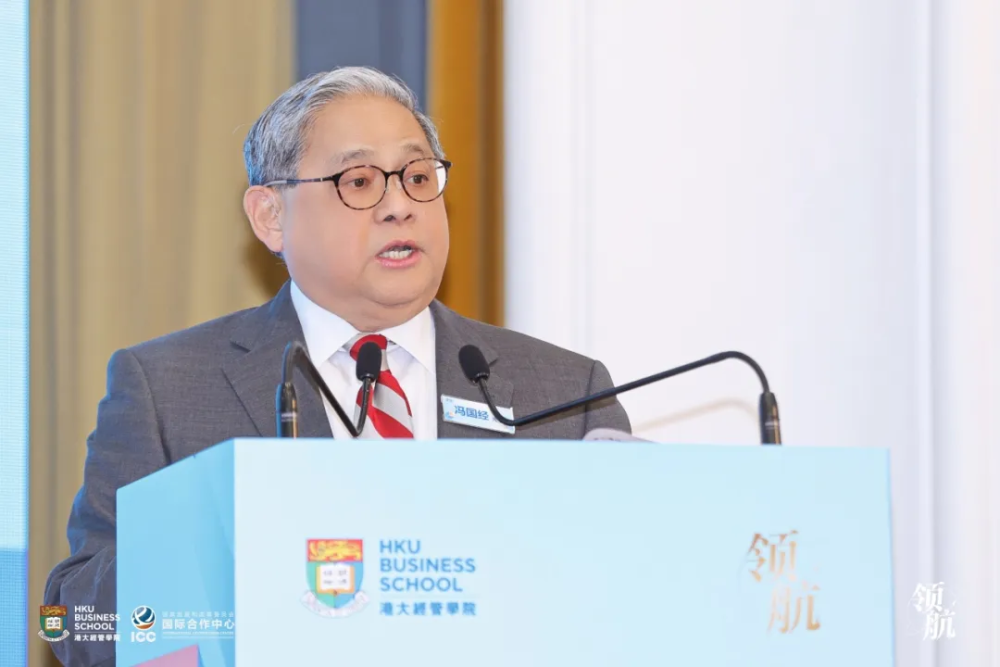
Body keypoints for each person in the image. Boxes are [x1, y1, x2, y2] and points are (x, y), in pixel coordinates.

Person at [44, 66, 630, 666]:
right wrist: (222, 536)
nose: (399, 206)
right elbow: (73, 624)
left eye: (418, 177)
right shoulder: (167, 388)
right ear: (271, 216)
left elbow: (628, 611)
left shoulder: (565, 393)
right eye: (359, 181)